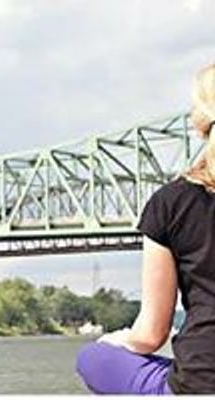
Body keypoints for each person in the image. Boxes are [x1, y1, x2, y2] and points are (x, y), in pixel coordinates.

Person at [75, 62, 215, 395]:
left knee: (92, 357)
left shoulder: (170, 202)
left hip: (201, 383)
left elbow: (151, 336)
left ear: (199, 123)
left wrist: (117, 339)